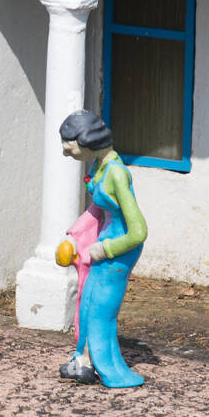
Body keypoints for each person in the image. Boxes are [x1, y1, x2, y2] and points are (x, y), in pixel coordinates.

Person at [58, 110, 147, 388]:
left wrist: (106, 249)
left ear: (87, 141)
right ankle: (82, 361)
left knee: (100, 312)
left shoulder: (118, 174)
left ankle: (113, 372)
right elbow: (99, 207)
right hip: (103, 244)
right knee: (86, 305)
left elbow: (139, 231)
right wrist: (76, 235)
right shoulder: (100, 167)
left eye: (70, 148)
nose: (66, 154)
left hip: (117, 251)